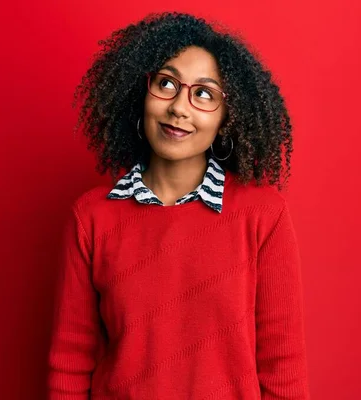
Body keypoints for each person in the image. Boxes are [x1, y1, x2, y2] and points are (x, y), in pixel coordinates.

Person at [48, 12, 309, 400]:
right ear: (142, 94)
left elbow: (283, 368)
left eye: (204, 94)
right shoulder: (91, 218)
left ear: (226, 118)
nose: (179, 108)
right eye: (166, 84)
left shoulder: (262, 217)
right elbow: (70, 364)